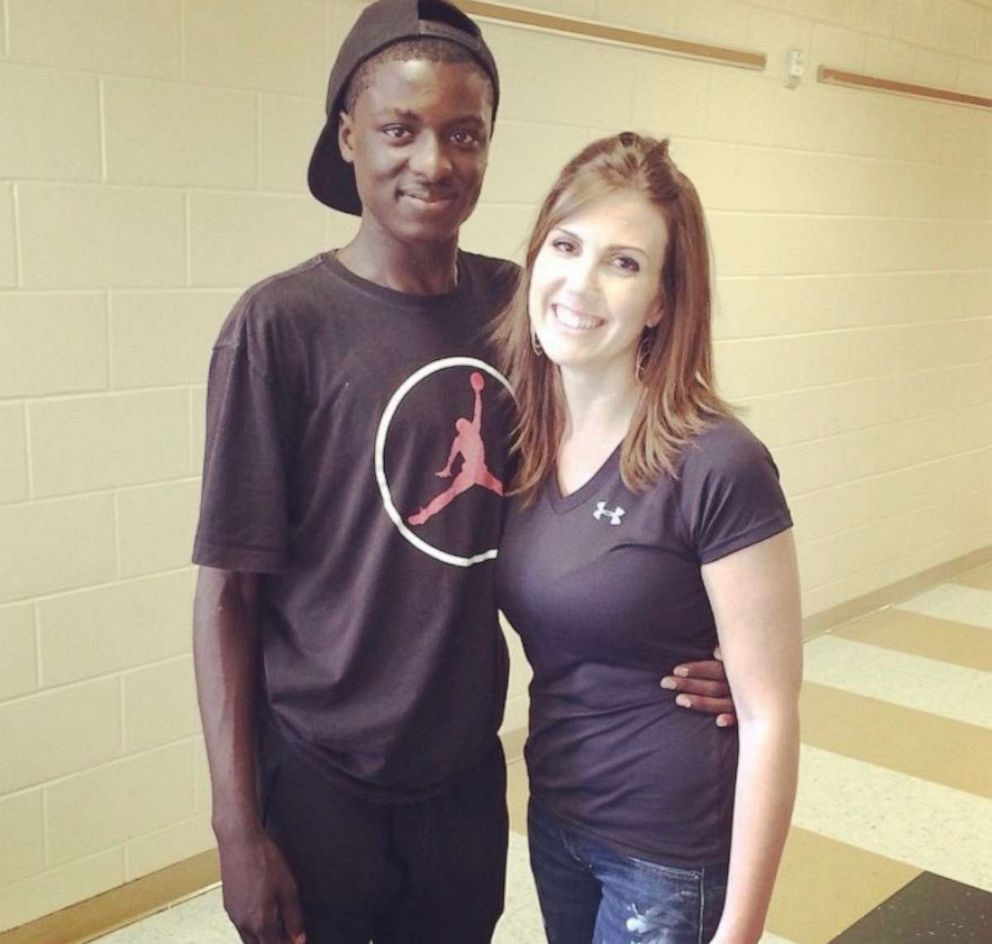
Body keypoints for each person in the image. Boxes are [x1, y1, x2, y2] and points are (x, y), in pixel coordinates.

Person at [191, 2, 735, 942]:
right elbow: (227, 595)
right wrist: (237, 827)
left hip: (466, 778)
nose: (433, 162)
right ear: (349, 137)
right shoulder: (279, 327)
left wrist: (723, 648)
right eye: (399, 130)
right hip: (319, 779)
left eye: (463, 134)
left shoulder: (517, 309)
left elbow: (638, 466)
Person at [493, 133, 802, 944]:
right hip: (558, 815)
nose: (580, 283)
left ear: (661, 302)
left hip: (666, 849)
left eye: (623, 263)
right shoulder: (519, 442)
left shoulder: (717, 463)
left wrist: (740, 929)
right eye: (566, 245)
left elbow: (771, 714)